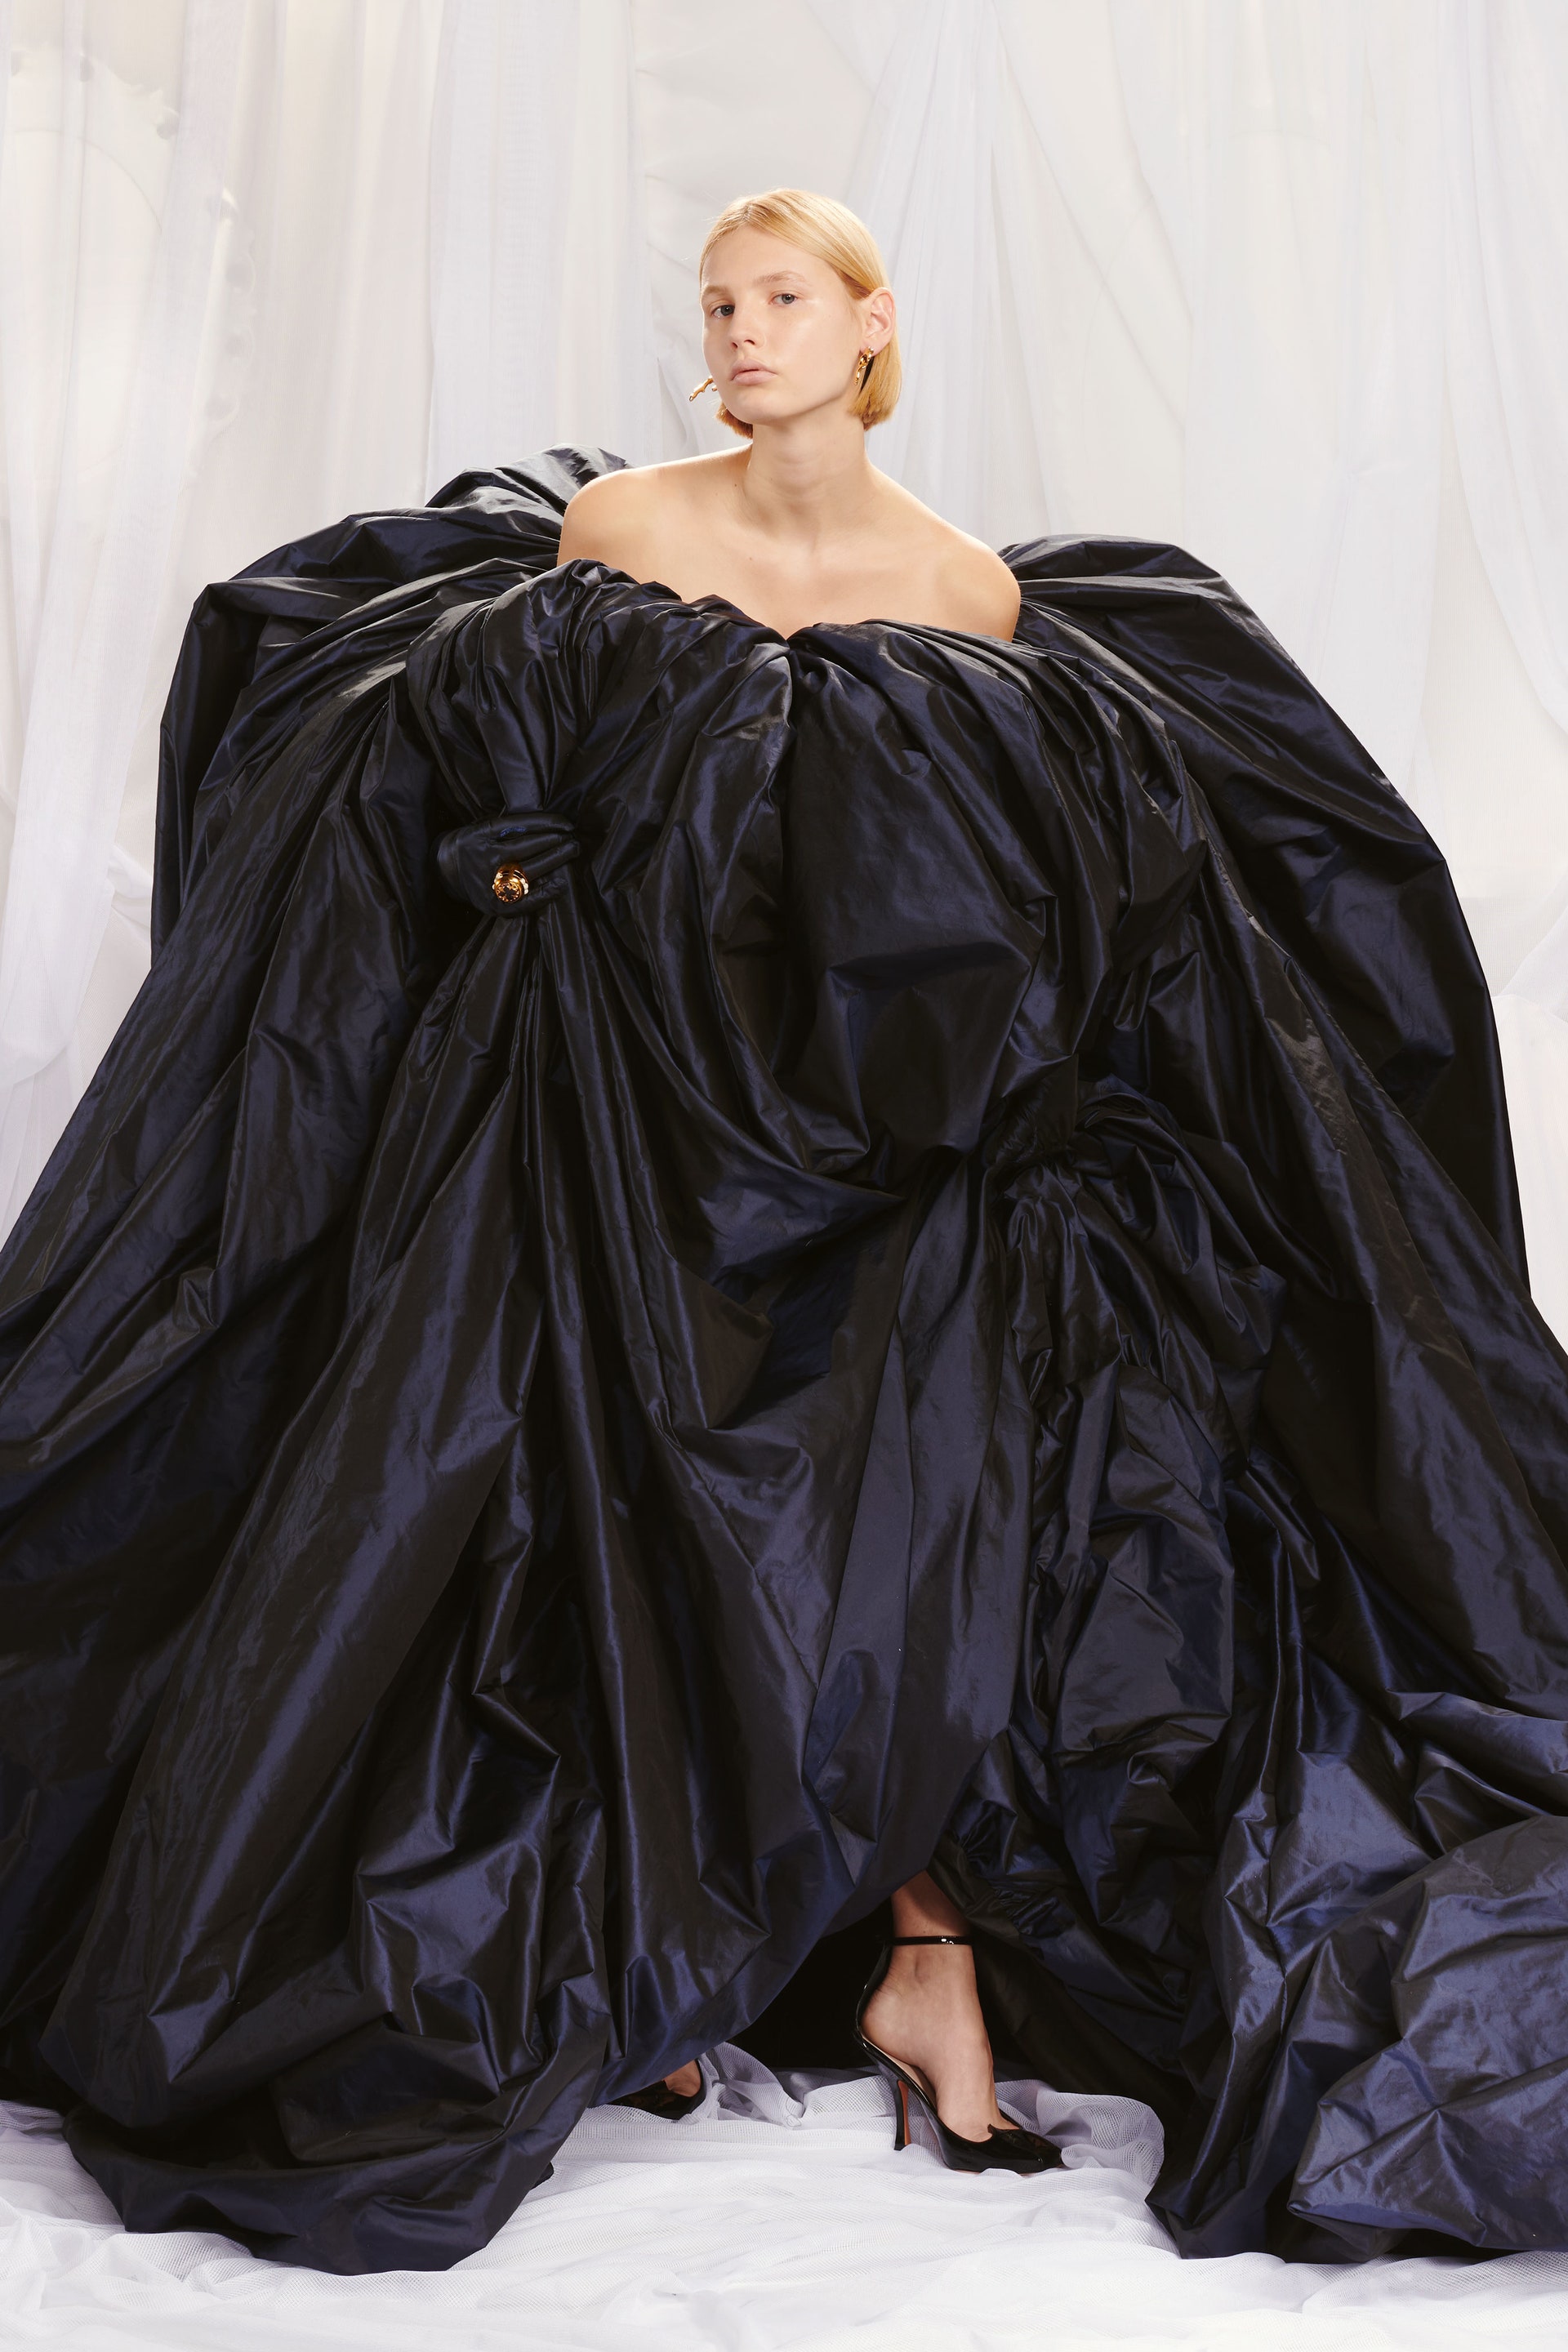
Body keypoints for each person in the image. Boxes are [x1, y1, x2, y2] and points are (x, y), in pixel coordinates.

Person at [1, 185, 1566, 2277]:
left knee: (957, 1385)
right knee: (593, 1382)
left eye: (780, 300)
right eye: (719, 303)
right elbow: (515, 819)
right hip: (630, 1107)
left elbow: (967, 914)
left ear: (869, 325)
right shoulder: (621, 531)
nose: (740, 334)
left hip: (864, 1130)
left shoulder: (964, 589)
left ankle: (928, 1949)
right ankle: (650, 1938)